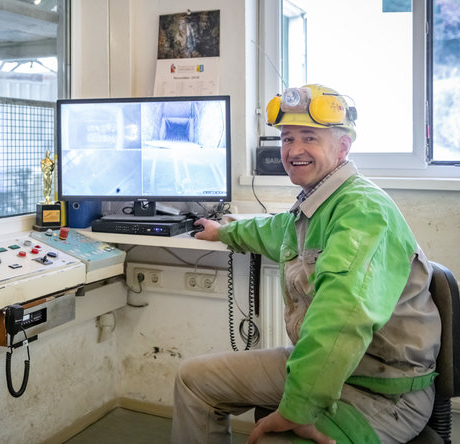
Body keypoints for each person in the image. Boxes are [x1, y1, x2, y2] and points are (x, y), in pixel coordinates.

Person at [171, 84, 440, 443]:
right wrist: (224, 232)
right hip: (326, 364)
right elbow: (275, 229)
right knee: (193, 380)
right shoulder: (315, 206)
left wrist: (298, 409)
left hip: (382, 388)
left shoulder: (362, 209)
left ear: (343, 147)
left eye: (309, 138)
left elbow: (341, 317)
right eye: (286, 139)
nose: (294, 150)